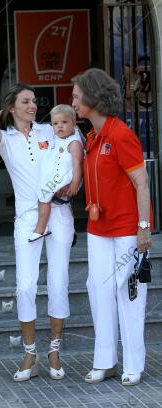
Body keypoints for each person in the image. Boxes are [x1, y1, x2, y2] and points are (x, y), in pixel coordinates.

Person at [0, 83, 82, 382]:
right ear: (12, 106)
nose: (33, 106)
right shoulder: (5, 137)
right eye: (25, 102)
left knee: (58, 281)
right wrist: (12, 108)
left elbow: (74, 140)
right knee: (25, 286)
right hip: (27, 216)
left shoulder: (49, 130)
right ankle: (30, 353)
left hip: (59, 213)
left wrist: (71, 184)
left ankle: (54, 350)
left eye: (34, 102)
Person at [71, 68, 151, 386]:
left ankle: (134, 363)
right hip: (98, 227)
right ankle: (105, 360)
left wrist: (144, 227)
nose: (73, 101)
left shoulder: (120, 134)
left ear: (92, 97)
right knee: (98, 288)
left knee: (128, 291)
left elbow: (142, 183)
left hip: (126, 227)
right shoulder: (92, 136)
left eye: (77, 96)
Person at [29, 104, 83, 242]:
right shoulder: (57, 138)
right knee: (43, 197)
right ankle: (42, 227)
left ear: (74, 123)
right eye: (55, 123)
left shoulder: (74, 143)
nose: (59, 126)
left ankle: (40, 228)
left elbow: (78, 165)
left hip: (64, 177)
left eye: (64, 122)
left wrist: (75, 184)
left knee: (44, 196)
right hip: (56, 175)